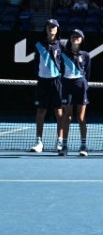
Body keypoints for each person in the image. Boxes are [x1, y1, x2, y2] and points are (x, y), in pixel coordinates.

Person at [29, 19, 65, 153]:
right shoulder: (39, 45)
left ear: (57, 29)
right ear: (46, 29)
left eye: (54, 27)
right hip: (43, 82)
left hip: (57, 82)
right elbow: (36, 64)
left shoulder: (61, 45)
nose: (51, 29)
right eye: (49, 27)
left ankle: (60, 141)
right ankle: (39, 142)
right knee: (41, 111)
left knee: (59, 111)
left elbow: (64, 63)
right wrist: (40, 75)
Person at [58, 28, 91, 156]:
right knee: (67, 116)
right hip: (67, 86)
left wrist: (83, 84)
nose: (75, 38)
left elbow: (87, 73)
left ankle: (83, 146)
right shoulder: (63, 54)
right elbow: (60, 70)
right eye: (73, 36)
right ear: (70, 39)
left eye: (78, 36)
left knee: (81, 117)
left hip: (81, 86)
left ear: (82, 39)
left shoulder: (86, 55)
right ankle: (64, 146)